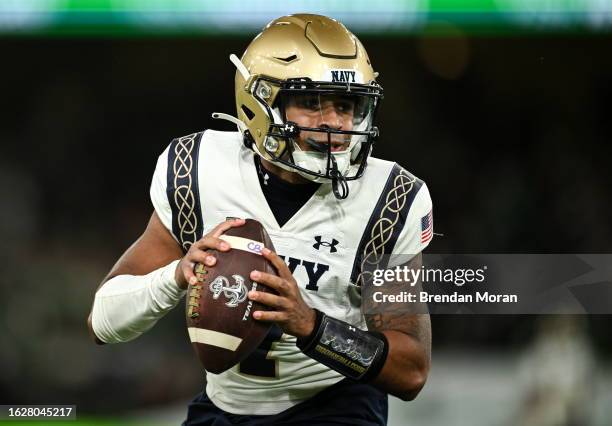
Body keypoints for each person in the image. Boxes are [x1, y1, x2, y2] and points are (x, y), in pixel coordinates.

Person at [88, 13, 433, 426]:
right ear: (260, 102)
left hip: (334, 406)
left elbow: (411, 371)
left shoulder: (390, 198)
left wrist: (312, 327)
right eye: (311, 103)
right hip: (223, 408)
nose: (335, 124)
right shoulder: (197, 169)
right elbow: (102, 322)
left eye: (346, 105)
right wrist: (177, 276)